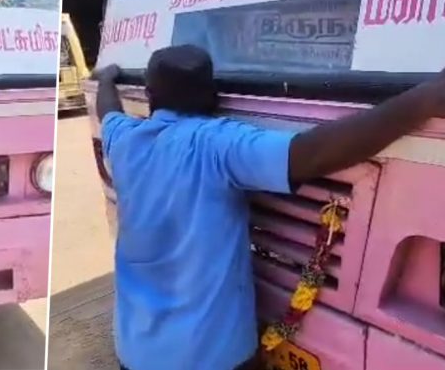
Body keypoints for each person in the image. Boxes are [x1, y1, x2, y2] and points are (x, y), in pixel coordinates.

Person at [95, 44, 445, 370]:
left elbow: (107, 109)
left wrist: (107, 78)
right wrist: (425, 99)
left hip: (135, 351)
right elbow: (313, 153)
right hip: (209, 357)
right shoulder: (216, 143)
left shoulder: (125, 139)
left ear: (149, 94)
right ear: (213, 97)